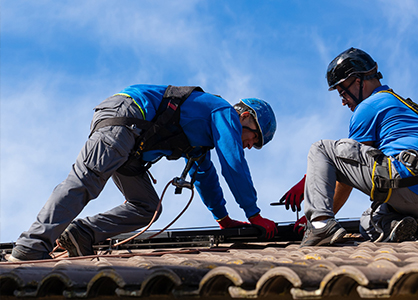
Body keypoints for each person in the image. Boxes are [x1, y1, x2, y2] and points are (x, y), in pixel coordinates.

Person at [9, 84, 278, 261]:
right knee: (86, 180)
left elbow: (207, 176)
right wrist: (254, 214)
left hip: (132, 148)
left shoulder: (201, 141)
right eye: (255, 138)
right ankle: (31, 246)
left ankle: (83, 234)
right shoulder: (224, 112)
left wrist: (224, 220)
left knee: (147, 207)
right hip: (126, 119)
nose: (250, 145)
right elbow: (233, 162)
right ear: (245, 116)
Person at [280, 47, 418, 246]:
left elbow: (344, 175)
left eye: (342, 91)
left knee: (320, 149)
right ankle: (412, 227)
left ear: (357, 81)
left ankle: (320, 226)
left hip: (407, 184)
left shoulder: (370, 106)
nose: (343, 101)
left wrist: (312, 217)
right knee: (368, 222)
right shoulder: (400, 104)